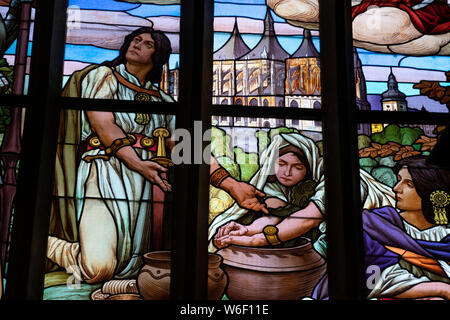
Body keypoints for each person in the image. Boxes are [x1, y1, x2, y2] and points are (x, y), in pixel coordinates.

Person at [47, 27, 175, 283]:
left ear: (157, 56)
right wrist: (139, 164)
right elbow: (104, 125)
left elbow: (191, 148)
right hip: (104, 171)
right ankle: (37, 240)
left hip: (146, 188)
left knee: (134, 266)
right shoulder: (103, 76)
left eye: (147, 44)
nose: (137, 44)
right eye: (135, 39)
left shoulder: (165, 100)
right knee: (98, 270)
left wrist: (232, 185)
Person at [210, 132, 395, 254]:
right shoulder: (275, 185)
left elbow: (307, 219)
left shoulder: (333, 175)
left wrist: (255, 240)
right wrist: (247, 230)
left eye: (297, 167)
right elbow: (276, 216)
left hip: (395, 232)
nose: (287, 172)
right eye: (281, 164)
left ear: (309, 167)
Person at [363, 156, 450, 300]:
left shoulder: (445, 237)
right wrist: (442, 289)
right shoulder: (377, 225)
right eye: (398, 179)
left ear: (430, 192)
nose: (396, 188)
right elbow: (377, 280)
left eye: (409, 184)